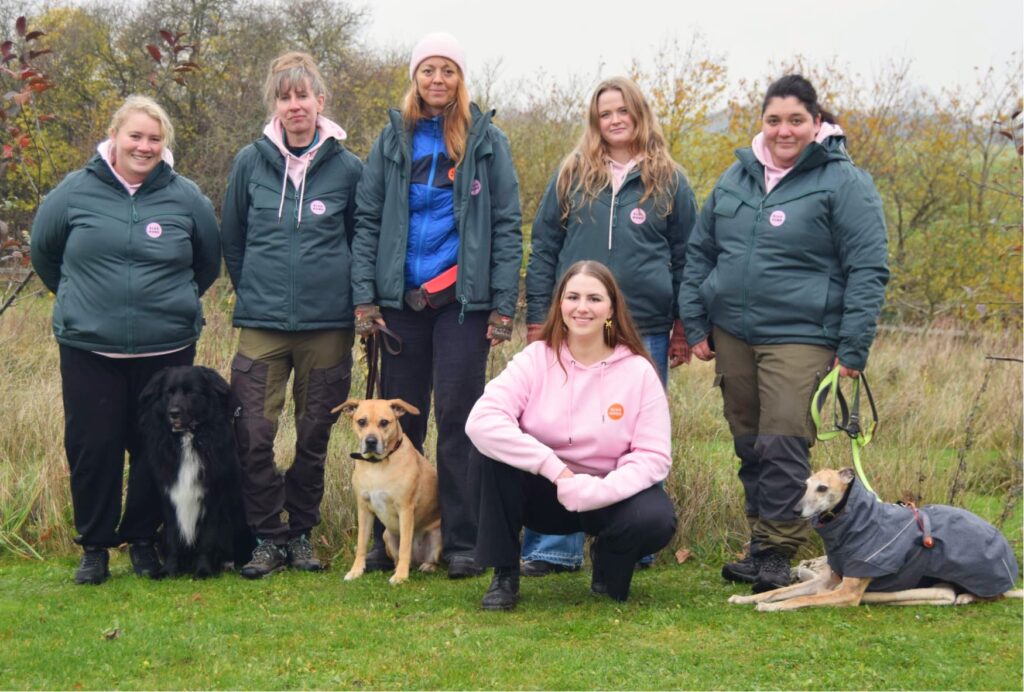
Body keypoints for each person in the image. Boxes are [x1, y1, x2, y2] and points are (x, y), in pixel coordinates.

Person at [678, 74, 889, 592]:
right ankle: (759, 545)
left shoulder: (844, 181)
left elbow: (868, 267)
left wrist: (853, 346)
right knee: (750, 443)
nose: (784, 130)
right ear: (763, 123)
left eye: (796, 120)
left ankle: (777, 552)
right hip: (733, 334)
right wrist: (697, 320)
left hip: (803, 334)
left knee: (784, 442)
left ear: (816, 123)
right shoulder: (736, 177)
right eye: (774, 120)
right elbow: (700, 252)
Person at [351, 32, 522, 579]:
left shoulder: (486, 141)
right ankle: (390, 538)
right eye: (428, 69)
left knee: (459, 420)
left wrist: (503, 306)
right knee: (402, 421)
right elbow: (367, 220)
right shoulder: (391, 139)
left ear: (460, 78)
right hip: (400, 303)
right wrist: (364, 298)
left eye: (448, 70)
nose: (438, 79)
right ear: (415, 77)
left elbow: (506, 225)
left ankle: (463, 539)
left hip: (462, 305)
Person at [31, 95, 220, 584]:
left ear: (165, 145)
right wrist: (80, 301)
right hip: (90, 349)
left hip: (166, 352)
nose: (144, 146)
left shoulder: (186, 197)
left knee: (155, 447)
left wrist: (173, 303)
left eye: (154, 139)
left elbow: (207, 263)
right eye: (135, 135)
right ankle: (94, 546)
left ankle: (142, 539)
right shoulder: (73, 192)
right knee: (93, 447)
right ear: (114, 136)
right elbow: (44, 254)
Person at [522, 76, 696, 575]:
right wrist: (539, 317)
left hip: (646, 328)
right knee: (559, 429)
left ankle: (629, 541)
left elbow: (689, 256)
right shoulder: (572, 174)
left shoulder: (670, 180)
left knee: (634, 436)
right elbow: (544, 249)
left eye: (623, 111)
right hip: (574, 325)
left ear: (639, 114)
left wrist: (684, 324)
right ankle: (552, 548)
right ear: (595, 121)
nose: (615, 120)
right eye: (605, 113)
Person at [221, 52, 363, 578]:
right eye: (285, 97)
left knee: (314, 435)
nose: (295, 105)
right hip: (262, 326)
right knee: (253, 434)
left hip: (327, 328)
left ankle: (301, 533)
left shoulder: (349, 168)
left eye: (303, 95)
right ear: (275, 105)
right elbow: (233, 239)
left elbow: (360, 243)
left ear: (320, 101)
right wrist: (257, 292)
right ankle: (266, 537)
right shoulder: (249, 162)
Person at [467, 260, 677, 610]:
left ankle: (608, 560)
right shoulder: (536, 358)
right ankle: (504, 573)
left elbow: (653, 457)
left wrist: (597, 490)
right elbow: (481, 420)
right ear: (560, 305)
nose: (582, 308)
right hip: (542, 491)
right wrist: (556, 470)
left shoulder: (638, 370)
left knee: (655, 518)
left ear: (612, 308)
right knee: (489, 455)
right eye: (573, 297)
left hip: (606, 495)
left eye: (594, 299)